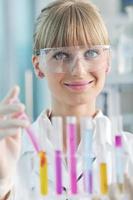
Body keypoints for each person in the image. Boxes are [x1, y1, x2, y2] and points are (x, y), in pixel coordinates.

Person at [0, 0, 133, 199]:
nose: (78, 70)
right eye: (61, 55)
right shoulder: (11, 151)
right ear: (38, 65)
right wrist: (2, 185)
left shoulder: (128, 152)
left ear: (108, 61)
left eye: (91, 52)